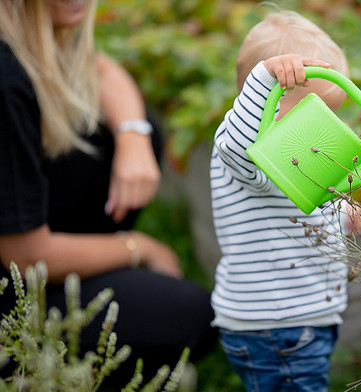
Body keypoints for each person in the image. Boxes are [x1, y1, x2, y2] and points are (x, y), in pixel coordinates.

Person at [0, 0, 217, 387]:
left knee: (136, 127)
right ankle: (38, 369)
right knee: (195, 313)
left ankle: (92, 274)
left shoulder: (30, 42)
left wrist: (133, 134)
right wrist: (137, 247)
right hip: (11, 284)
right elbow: (24, 257)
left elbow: (98, 68)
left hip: (25, 250)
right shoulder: (6, 80)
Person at [210, 10, 351, 392]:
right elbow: (238, 146)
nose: (323, 132)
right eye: (311, 119)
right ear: (262, 106)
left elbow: (303, 206)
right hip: (274, 326)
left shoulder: (293, 161)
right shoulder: (246, 151)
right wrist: (263, 78)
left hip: (302, 319)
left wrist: (342, 215)